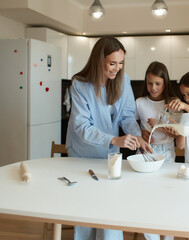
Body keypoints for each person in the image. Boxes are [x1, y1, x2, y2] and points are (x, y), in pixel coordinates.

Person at [66, 36, 151, 240]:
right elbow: (81, 127)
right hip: (83, 154)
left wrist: (137, 136)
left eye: (120, 63)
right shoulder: (80, 84)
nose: (117, 68)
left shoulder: (124, 80)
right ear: (99, 60)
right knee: (85, 208)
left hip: (109, 155)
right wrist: (115, 140)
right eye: (112, 63)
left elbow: (127, 116)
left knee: (110, 206)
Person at [135, 61, 178, 164]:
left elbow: (178, 135)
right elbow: (131, 126)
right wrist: (140, 132)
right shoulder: (139, 102)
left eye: (158, 84)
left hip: (167, 151)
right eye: (150, 83)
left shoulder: (173, 104)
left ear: (165, 83)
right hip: (145, 149)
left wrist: (159, 126)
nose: (153, 88)